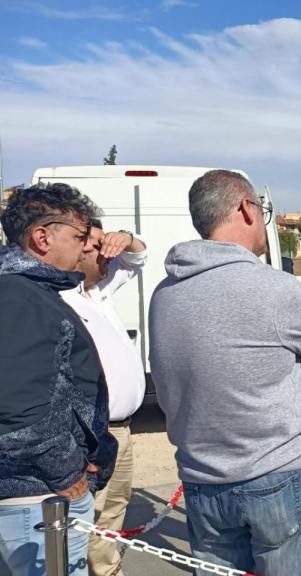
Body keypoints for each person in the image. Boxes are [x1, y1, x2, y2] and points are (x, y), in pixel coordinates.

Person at [149, 170, 301, 576]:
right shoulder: (275, 289)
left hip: (202, 480)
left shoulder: (164, 294)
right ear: (245, 208)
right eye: (263, 208)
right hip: (278, 474)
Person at [0, 183, 114, 576]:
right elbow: (17, 408)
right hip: (35, 500)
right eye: (80, 236)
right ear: (42, 237)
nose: (87, 248)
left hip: (39, 494)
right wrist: (66, 472)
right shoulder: (18, 297)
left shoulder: (30, 291)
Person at [60, 221, 147, 576]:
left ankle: (108, 570)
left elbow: (138, 258)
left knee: (113, 511)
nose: (106, 253)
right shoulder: (60, 299)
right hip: (92, 434)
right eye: (97, 245)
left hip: (121, 430)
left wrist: (124, 237)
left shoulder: (96, 290)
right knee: (86, 518)